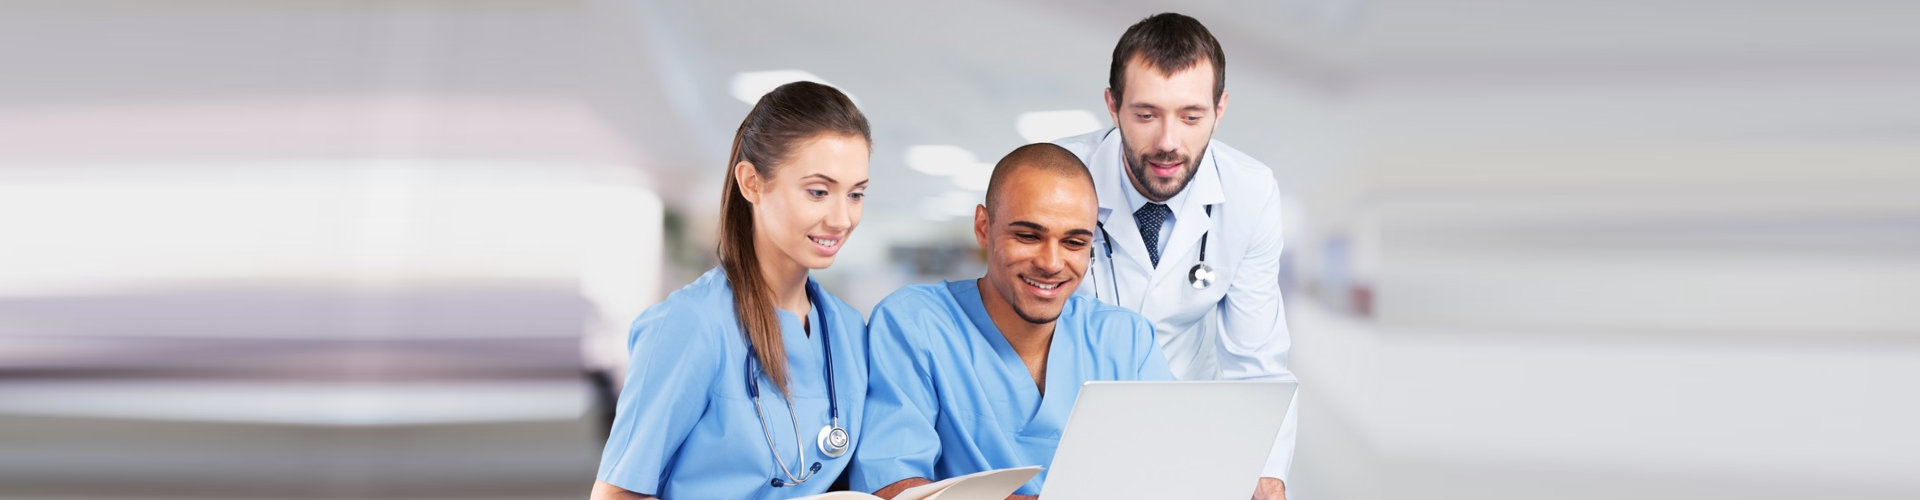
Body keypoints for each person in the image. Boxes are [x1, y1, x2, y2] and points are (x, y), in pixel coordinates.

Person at [1053, 12, 1299, 500]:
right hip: (1061, 423)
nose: (1168, 142)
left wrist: (1266, 469)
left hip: (1185, 429)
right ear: (1112, 105)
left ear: (1220, 108)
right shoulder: (1056, 177)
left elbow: (1256, 360)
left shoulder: (1250, 191)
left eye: (1191, 116)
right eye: (1146, 115)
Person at [591, 81, 873, 500]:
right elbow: (618, 494)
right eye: (818, 192)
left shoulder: (848, 330)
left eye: (855, 194)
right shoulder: (689, 325)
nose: (841, 218)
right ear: (752, 183)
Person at [851, 143, 1175, 499]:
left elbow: (1173, 468)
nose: (1052, 263)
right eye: (1029, 236)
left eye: (1074, 242)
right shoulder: (916, 324)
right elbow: (892, 487)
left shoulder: (1125, 339)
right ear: (983, 227)